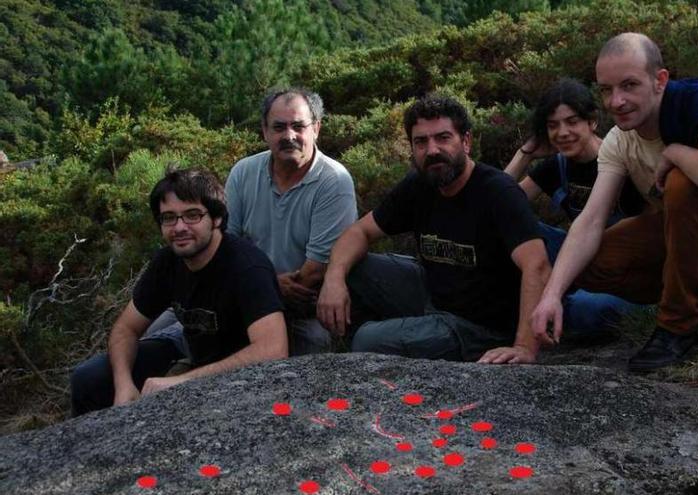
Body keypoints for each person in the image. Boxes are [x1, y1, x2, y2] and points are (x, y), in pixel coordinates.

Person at [531, 32, 698, 371]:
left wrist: (676, 152)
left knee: (681, 181)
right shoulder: (618, 141)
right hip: (685, 239)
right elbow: (591, 219)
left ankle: (676, 327)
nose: (616, 101)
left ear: (660, 80)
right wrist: (552, 294)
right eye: (606, 90)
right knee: (589, 264)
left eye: (629, 85)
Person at [317, 95, 551, 364]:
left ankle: (389, 346)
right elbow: (360, 232)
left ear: (466, 141)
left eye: (443, 138)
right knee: (352, 269)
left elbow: (538, 265)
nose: (432, 150)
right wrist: (333, 277)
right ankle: (397, 341)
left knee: (368, 340)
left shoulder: (498, 192)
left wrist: (524, 347)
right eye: (421, 142)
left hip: (481, 328)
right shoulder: (420, 185)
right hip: (434, 297)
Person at [70, 168, 288, 416]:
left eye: (192, 215)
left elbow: (273, 349)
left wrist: (183, 382)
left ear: (216, 219)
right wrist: (124, 385)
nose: (179, 227)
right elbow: (126, 329)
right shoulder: (168, 262)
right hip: (190, 349)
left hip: (239, 372)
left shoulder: (247, 267)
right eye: (169, 218)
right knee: (88, 379)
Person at [504, 78, 643, 340]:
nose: (562, 132)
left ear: (591, 122)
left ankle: (549, 307)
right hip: (576, 261)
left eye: (572, 122)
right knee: (521, 229)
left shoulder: (619, 160)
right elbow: (500, 204)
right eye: (553, 125)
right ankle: (546, 304)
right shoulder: (558, 165)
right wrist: (525, 154)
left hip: (624, 270)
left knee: (586, 310)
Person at [225, 88, 357, 355]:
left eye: (298, 126)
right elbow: (226, 247)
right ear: (264, 131)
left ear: (316, 128)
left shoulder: (334, 181)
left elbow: (313, 273)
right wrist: (271, 285)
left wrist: (261, 285)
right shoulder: (243, 173)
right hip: (246, 299)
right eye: (279, 127)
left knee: (313, 356)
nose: (289, 136)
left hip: (305, 309)